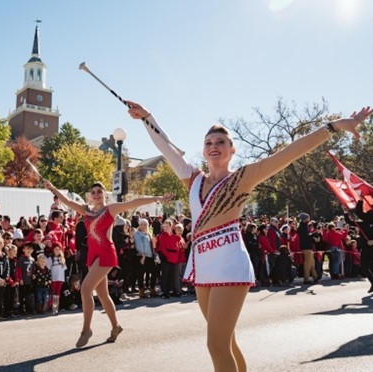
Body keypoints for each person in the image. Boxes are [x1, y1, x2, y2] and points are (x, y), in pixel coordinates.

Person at [127, 100, 372, 371]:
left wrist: (333, 126)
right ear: (203, 150)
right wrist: (147, 117)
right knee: (226, 342)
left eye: (220, 142)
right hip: (204, 267)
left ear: (232, 150)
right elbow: (166, 147)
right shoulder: (192, 179)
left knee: (216, 345)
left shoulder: (242, 178)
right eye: (208, 143)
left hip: (230, 263)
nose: (213, 146)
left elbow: (288, 153)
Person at [44, 179, 171, 347]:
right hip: (93, 254)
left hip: (106, 253)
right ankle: (115, 326)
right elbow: (67, 201)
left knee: (86, 288)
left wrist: (158, 198)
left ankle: (86, 330)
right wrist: (52, 187)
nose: (96, 194)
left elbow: (134, 202)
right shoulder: (86, 211)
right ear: (90, 196)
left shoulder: (111, 209)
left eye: (99, 191)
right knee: (103, 294)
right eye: (94, 192)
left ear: (104, 194)